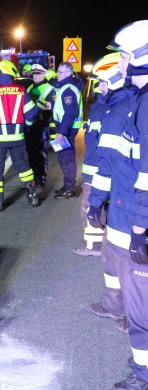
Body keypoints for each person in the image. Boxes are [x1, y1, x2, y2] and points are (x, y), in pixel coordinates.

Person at [108, 19, 148, 390]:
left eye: (123, 56)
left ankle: (143, 374)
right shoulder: (140, 100)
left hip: (140, 227)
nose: (120, 64)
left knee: (141, 309)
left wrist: (139, 230)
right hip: (131, 218)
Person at [85, 52, 138, 331]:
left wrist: (95, 203)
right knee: (112, 254)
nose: (100, 88)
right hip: (125, 197)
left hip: (125, 199)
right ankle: (116, 306)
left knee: (127, 259)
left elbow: (106, 162)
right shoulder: (132, 103)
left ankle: (135, 314)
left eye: (102, 83)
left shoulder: (119, 112)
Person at [73, 53, 127, 258]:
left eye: (103, 82)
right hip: (111, 169)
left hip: (98, 169)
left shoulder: (105, 110)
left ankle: (94, 245)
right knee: (110, 205)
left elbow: (97, 145)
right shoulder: (123, 105)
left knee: (90, 205)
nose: (99, 87)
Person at [0, 59, 39, 211]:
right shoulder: (21, 91)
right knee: (23, 167)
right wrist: (27, 127)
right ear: (11, 74)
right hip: (18, 137)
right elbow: (32, 113)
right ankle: (32, 196)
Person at [50, 62, 83, 199]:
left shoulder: (68, 88)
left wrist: (61, 132)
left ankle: (70, 189)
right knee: (62, 157)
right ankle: (67, 185)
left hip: (67, 129)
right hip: (64, 127)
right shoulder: (64, 87)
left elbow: (70, 113)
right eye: (58, 71)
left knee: (67, 158)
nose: (58, 74)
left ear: (69, 74)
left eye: (61, 72)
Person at [26, 64, 54, 189]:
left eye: (39, 73)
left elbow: (49, 107)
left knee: (41, 152)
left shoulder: (49, 88)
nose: (36, 76)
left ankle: (41, 178)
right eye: (34, 74)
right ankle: (33, 177)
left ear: (44, 74)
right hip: (30, 125)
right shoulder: (30, 87)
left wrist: (35, 103)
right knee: (31, 152)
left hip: (42, 123)